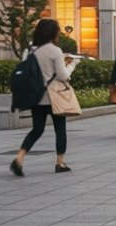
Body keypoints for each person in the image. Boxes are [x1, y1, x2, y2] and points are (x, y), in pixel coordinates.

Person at [10, 18, 78, 175]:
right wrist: (72, 65)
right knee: (60, 129)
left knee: (37, 129)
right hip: (54, 96)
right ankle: (60, 163)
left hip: (36, 96)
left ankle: (20, 157)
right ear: (53, 33)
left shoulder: (31, 50)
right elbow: (62, 75)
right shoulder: (55, 51)